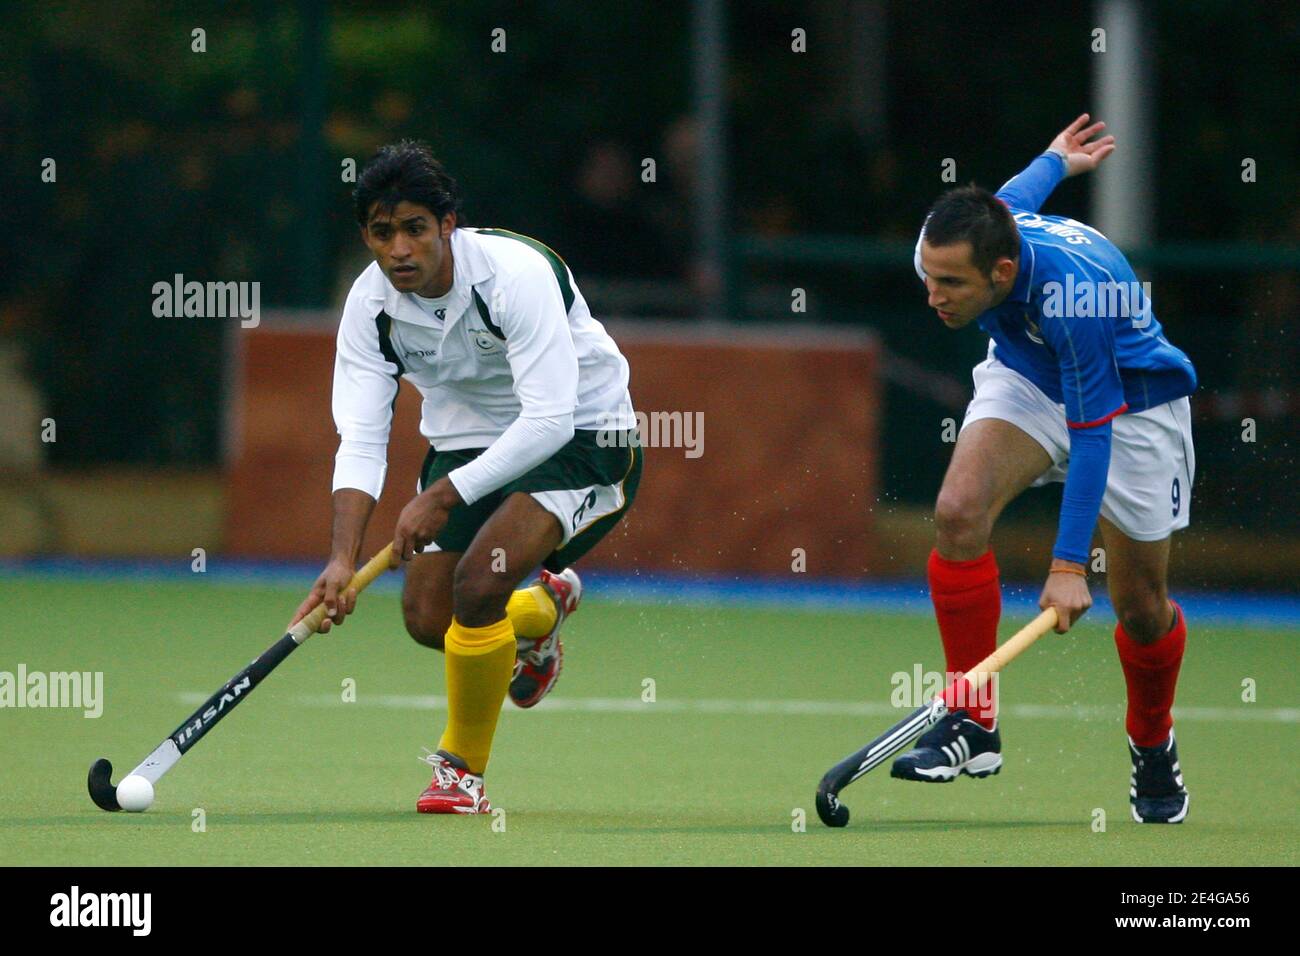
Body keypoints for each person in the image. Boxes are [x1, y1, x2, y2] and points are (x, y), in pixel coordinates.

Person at [289, 141, 642, 814]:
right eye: (382, 232)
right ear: (366, 236)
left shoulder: (516, 274)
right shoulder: (369, 309)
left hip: (582, 433)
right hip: (467, 440)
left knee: (479, 584)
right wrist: (341, 558)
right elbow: (362, 437)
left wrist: (441, 496)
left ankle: (460, 774)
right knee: (430, 618)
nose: (399, 249)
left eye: (415, 228)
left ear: (448, 226)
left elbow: (546, 419)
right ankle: (538, 614)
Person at [894, 116, 1198, 823]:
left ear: (1002, 273)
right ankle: (973, 720)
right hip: (1029, 375)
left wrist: (1068, 566)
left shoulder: (1072, 298)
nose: (933, 296)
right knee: (958, 512)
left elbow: (1091, 436)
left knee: (1143, 611)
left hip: (1130, 406)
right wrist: (1056, 159)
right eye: (927, 276)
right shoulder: (988, 231)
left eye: (950, 284)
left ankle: (1152, 741)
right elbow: (1012, 196)